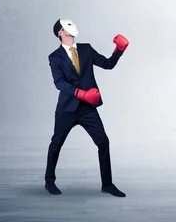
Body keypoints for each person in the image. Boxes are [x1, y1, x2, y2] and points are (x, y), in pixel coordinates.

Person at [44, 18, 130, 197]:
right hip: (67, 109)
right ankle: (49, 181)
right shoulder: (54, 57)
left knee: (103, 142)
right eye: (67, 25)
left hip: (87, 109)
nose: (72, 26)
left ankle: (107, 184)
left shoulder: (86, 49)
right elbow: (59, 83)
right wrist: (80, 93)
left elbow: (108, 64)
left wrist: (119, 50)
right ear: (60, 32)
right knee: (56, 144)